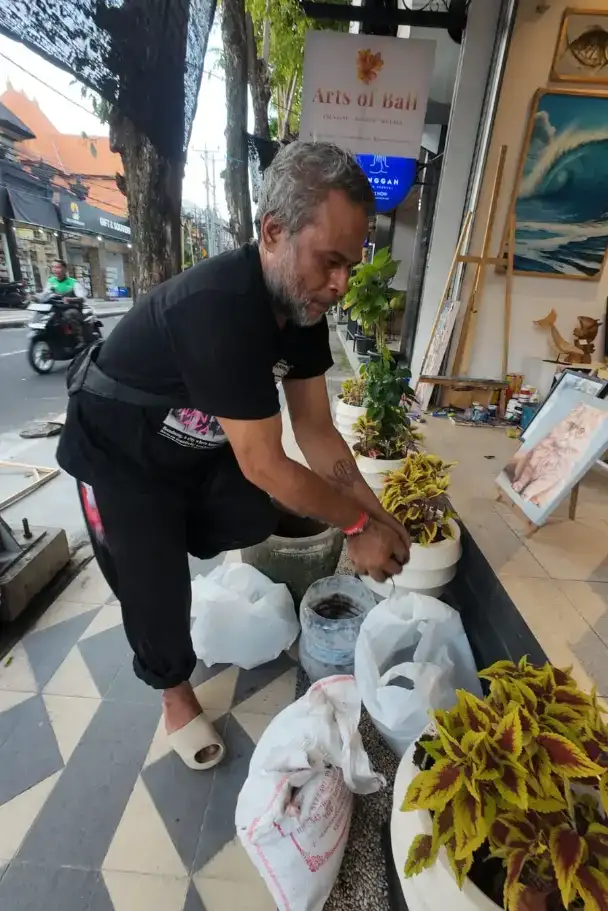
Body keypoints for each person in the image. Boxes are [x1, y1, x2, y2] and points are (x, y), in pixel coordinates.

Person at [57, 141, 410, 771]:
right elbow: (268, 463)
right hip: (121, 446)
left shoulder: (303, 308)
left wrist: (376, 515)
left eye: (350, 267)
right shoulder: (218, 307)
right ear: (273, 232)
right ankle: (173, 690)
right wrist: (356, 526)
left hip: (192, 443)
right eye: (330, 262)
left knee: (254, 511)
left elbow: (316, 430)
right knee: (155, 583)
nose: (340, 285)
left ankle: (169, 536)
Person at [45, 259, 87, 346]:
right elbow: (45, 294)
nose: (55, 270)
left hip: (72, 308)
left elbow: (82, 298)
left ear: (65, 269)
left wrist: (70, 299)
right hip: (57, 308)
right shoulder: (50, 282)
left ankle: (79, 339)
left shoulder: (73, 282)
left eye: (58, 267)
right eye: (53, 267)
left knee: (68, 316)